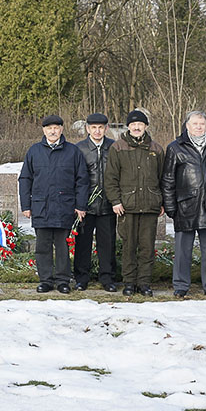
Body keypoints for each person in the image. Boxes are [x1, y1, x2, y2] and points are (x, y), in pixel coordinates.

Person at [162, 110, 206, 298]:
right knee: (182, 249)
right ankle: (180, 285)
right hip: (185, 205)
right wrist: (169, 205)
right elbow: (168, 178)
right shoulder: (175, 148)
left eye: (202, 124)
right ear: (187, 126)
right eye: (195, 124)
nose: (199, 127)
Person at [18, 114, 89, 294]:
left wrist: (80, 206)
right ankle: (46, 280)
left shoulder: (72, 152)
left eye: (56, 128)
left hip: (64, 207)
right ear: (44, 130)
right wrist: (26, 205)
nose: (53, 131)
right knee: (42, 247)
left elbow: (82, 180)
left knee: (63, 247)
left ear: (62, 130)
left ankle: (63, 280)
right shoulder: (34, 151)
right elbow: (25, 179)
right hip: (41, 207)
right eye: (49, 128)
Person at [104, 110, 165, 296]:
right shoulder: (118, 148)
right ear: (128, 126)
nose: (137, 127)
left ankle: (144, 283)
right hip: (126, 206)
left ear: (146, 126)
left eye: (140, 124)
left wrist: (162, 201)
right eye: (133, 124)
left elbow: (163, 177)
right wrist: (115, 201)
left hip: (150, 205)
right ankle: (129, 282)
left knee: (147, 247)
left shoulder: (156, 149)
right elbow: (111, 178)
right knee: (129, 246)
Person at [73, 113, 117, 292]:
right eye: (93, 128)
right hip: (86, 206)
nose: (97, 131)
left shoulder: (114, 147)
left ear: (106, 129)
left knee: (107, 243)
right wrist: (78, 204)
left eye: (101, 127)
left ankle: (107, 278)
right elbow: (75, 178)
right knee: (83, 244)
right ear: (87, 129)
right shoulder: (79, 149)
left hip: (107, 204)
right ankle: (81, 278)